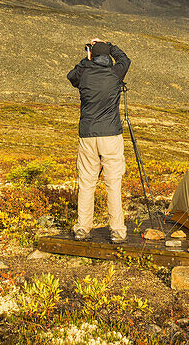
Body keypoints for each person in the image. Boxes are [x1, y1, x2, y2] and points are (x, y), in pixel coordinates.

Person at [67, 37, 131, 243]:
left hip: (88, 136)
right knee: (113, 183)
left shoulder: (84, 72)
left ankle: (83, 228)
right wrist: (109, 45)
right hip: (111, 135)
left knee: (87, 183)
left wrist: (87, 57)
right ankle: (117, 230)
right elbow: (125, 60)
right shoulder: (114, 73)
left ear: (91, 55)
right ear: (107, 56)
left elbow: (72, 76)